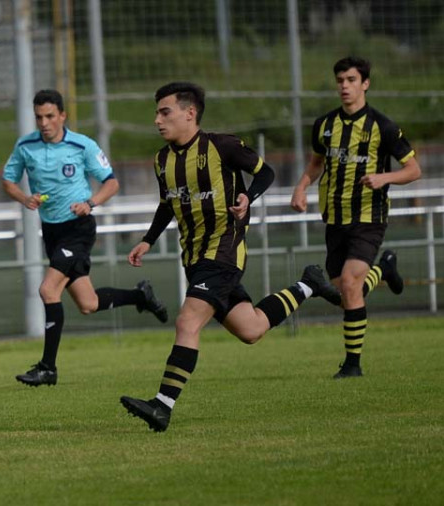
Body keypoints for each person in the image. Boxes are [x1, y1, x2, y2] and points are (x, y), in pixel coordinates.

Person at [119, 82, 342, 432]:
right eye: (157, 113)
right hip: (194, 257)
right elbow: (168, 203)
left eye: (165, 112)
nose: (157, 120)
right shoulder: (162, 160)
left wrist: (248, 198)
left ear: (189, 113)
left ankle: (162, 406)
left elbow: (265, 172)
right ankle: (307, 285)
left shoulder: (222, 146)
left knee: (187, 322)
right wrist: (148, 240)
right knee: (250, 329)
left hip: (222, 252)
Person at [2, 89, 168, 387]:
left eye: (50, 116)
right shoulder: (26, 146)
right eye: (39, 117)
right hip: (51, 230)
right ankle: (140, 295)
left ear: (63, 116)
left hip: (78, 228)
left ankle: (47, 368)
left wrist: (90, 203)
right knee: (88, 303)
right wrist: (24, 198)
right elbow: (8, 180)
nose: (44, 122)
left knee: (48, 290)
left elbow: (111, 183)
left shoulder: (82, 145)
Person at [290, 57, 421, 379]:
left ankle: (352, 364)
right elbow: (316, 163)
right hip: (334, 219)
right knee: (344, 293)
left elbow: (414, 170)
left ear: (365, 84)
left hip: (369, 217)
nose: (344, 86)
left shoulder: (383, 127)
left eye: (351, 79)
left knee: (349, 284)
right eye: (340, 80)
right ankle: (385, 269)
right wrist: (302, 187)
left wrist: (383, 178)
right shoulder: (324, 125)